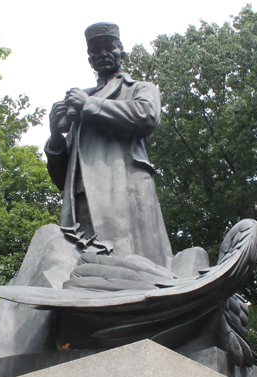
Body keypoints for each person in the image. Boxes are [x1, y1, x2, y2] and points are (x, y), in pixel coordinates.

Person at [44, 22, 174, 269]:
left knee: (136, 266)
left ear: (122, 54)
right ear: (89, 60)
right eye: (95, 50)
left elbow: (146, 116)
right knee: (82, 272)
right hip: (82, 202)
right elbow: (63, 180)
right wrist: (55, 135)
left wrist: (90, 104)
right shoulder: (80, 107)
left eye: (108, 47)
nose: (102, 54)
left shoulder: (139, 88)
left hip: (124, 191)